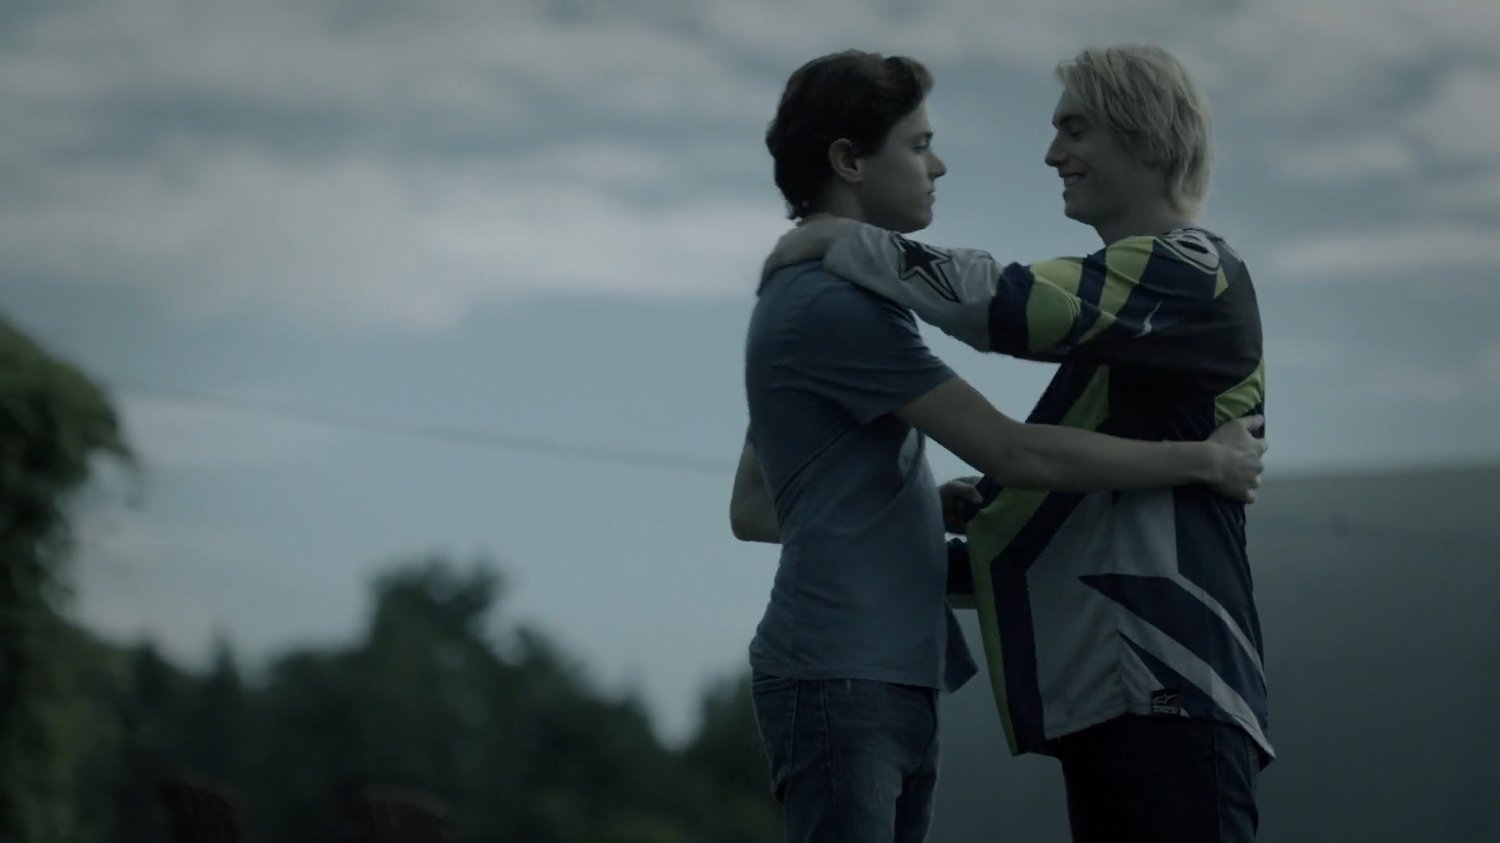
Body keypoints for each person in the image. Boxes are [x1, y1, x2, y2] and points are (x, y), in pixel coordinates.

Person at [733, 48, 1265, 842]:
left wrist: (844, 239)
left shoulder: (1193, 270)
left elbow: (1014, 309)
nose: (1052, 154)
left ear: (1144, 134)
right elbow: (1030, 489)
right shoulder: (1120, 339)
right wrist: (1203, 460)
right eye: (920, 144)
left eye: (1075, 130)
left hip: (1173, 682)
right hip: (1114, 696)